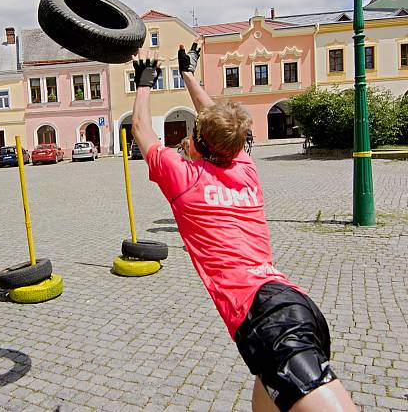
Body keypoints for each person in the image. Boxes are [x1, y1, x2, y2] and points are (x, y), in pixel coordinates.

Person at [130, 43, 356, 412]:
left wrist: (143, 83)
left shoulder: (182, 176)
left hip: (268, 319)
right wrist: (187, 74)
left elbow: (140, 127)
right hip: (288, 300)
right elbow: (219, 123)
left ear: (197, 141)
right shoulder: (244, 168)